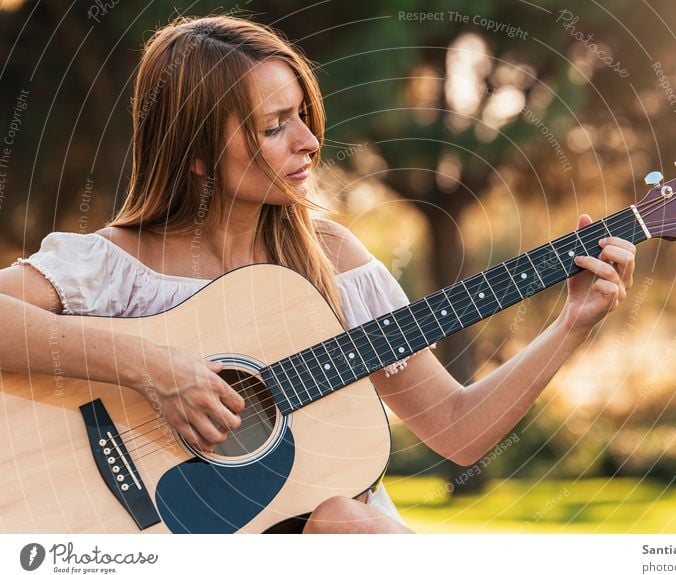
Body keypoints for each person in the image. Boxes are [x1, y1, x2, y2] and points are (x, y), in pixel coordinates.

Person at [0, 14, 635, 534]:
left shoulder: (333, 262)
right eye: (275, 126)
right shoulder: (112, 267)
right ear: (195, 153)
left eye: (303, 115)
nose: (308, 141)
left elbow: (457, 429)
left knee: (343, 520)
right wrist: (152, 369)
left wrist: (571, 323)